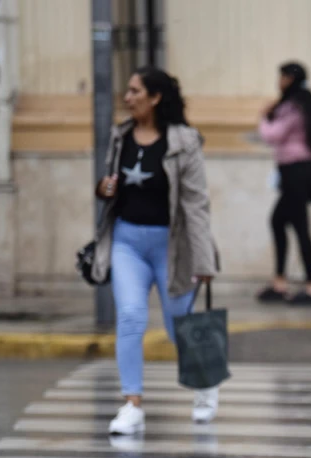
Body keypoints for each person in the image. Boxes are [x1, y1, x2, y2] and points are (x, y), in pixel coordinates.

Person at [92, 66, 220, 435]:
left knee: (179, 321)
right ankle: (132, 404)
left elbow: (196, 204)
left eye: (134, 91)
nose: (127, 97)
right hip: (127, 242)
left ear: (155, 97)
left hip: (171, 245)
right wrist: (104, 189)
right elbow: (109, 189)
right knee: (131, 317)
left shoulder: (184, 141)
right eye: (127, 91)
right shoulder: (121, 136)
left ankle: (205, 385)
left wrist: (203, 259)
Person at [258, 62, 311, 306]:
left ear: (289, 79)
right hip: (298, 170)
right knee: (281, 222)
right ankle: (281, 282)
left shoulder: (292, 107)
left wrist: (264, 118)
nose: (279, 81)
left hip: (296, 171)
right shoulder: (307, 104)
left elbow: (272, 135)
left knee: (297, 225)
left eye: (282, 77)